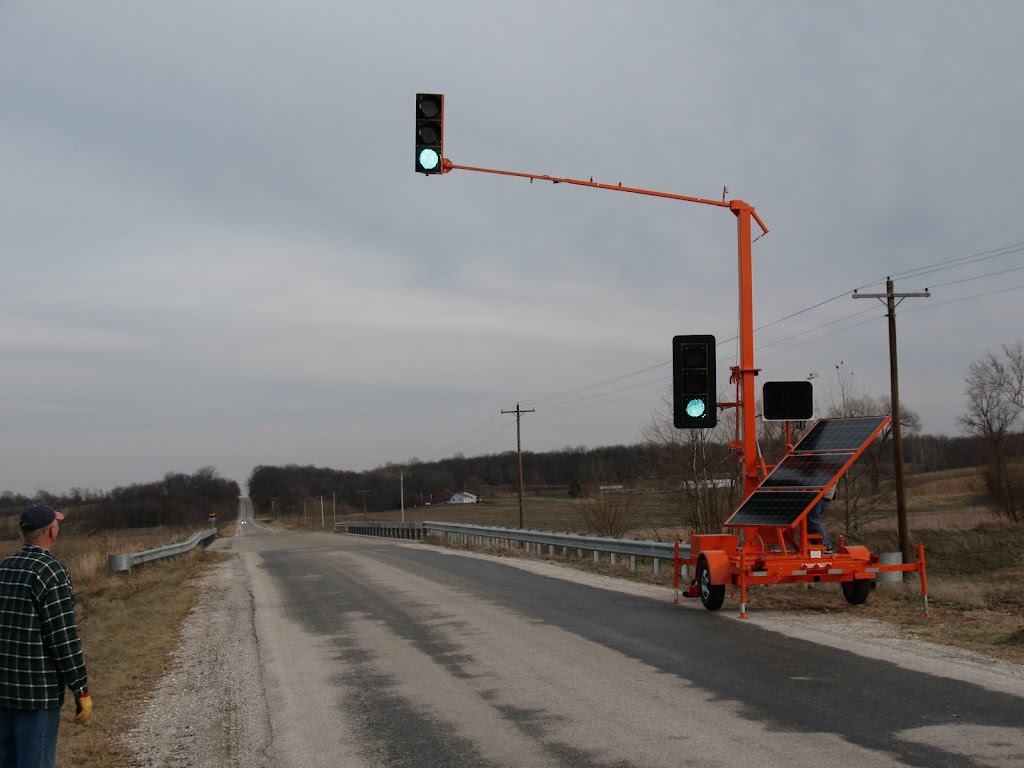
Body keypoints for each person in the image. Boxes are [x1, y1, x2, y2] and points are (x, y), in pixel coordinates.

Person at [0, 503, 91, 768]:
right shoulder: (51, 572)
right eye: (57, 524)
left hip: (4, 688)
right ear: (52, 531)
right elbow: (63, 638)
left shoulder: (5, 569)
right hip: (37, 694)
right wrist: (81, 689)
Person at [806, 485, 836, 552]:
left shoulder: (829, 474)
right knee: (806, 520)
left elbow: (831, 479)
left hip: (822, 496)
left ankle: (825, 545)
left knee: (812, 519)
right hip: (813, 494)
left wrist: (816, 489)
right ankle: (816, 545)